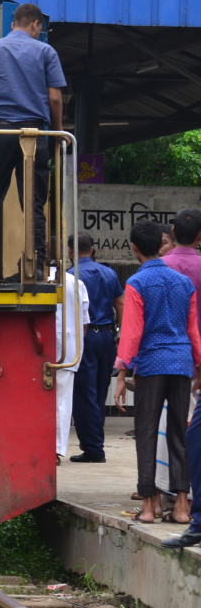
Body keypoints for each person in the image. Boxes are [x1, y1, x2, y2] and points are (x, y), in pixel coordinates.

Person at [0, 3, 66, 283]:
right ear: (35, 24)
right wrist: (57, 132)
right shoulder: (46, 51)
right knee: (34, 203)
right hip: (34, 136)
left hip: (0, 133)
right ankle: (35, 267)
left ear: (13, 24)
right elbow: (55, 98)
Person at [114, 221, 201, 527]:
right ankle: (180, 506)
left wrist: (122, 371)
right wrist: (199, 365)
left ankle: (150, 507)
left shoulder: (137, 283)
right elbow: (193, 330)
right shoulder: (183, 283)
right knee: (179, 433)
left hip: (151, 365)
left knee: (148, 433)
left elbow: (132, 332)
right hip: (181, 364)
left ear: (134, 248)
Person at [160, 210, 201, 547]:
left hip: (164, 357)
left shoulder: (158, 270)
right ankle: (191, 510)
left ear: (172, 232)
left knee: (170, 430)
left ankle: (166, 496)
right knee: (190, 434)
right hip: (193, 358)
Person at [67, 232, 125, 463]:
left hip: (85, 337)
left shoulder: (71, 276)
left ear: (70, 251)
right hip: (107, 338)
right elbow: (120, 304)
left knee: (83, 393)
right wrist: (120, 335)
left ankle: (93, 448)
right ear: (92, 249)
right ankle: (96, 441)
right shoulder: (109, 272)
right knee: (100, 392)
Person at [55, 259, 90, 464]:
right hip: (69, 345)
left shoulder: (38, 282)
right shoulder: (76, 283)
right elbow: (85, 321)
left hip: (40, 341)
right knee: (62, 399)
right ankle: (56, 449)